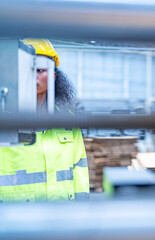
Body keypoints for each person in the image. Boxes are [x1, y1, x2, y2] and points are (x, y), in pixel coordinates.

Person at [0, 39, 89, 202]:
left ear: (53, 75)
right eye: (27, 69)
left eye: (40, 69)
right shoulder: (5, 122)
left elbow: (79, 170)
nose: (34, 75)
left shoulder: (67, 121)